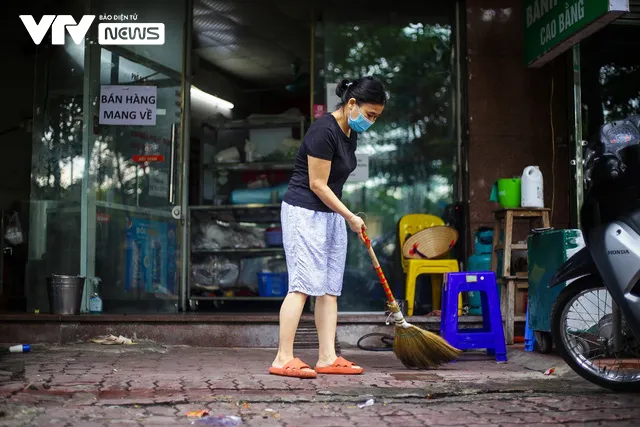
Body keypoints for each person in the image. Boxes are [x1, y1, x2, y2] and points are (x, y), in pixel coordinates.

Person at [269, 76, 387, 378]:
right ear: (351, 104)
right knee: (302, 286)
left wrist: (343, 216)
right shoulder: (324, 131)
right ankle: (283, 358)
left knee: (330, 289)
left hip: (330, 216)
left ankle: (327, 357)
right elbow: (317, 183)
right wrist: (351, 215)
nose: (371, 122)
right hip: (304, 213)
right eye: (369, 114)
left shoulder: (350, 132)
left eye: (376, 117)